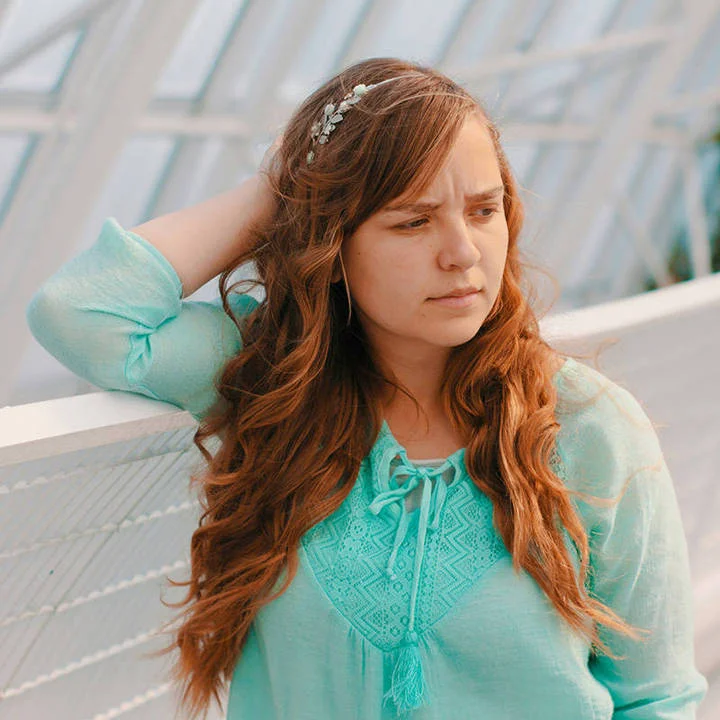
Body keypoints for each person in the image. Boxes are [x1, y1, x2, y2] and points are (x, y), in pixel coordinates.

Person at [26, 57, 708, 720]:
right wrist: (280, 191)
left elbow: (658, 699)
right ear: (330, 244)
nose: (462, 253)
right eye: (413, 221)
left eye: (483, 210)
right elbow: (81, 311)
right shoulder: (269, 381)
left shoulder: (586, 425)